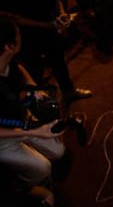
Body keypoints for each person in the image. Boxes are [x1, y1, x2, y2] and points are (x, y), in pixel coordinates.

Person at [0, 0, 92, 103]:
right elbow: (16, 18)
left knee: (58, 59)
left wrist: (62, 13)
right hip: (26, 33)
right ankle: (40, 103)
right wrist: (46, 25)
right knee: (34, 67)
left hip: (48, 26)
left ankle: (68, 91)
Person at [0, 16, 65, 188]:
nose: (20, 35)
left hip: (20, 119)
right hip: (3, 137)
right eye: (18, 33)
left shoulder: (8, 58)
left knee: (58, 151)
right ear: (9, 46)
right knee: (42, 169)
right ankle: (25, 190)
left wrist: (36, 91)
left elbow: (19, 70)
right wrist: (35, 131)